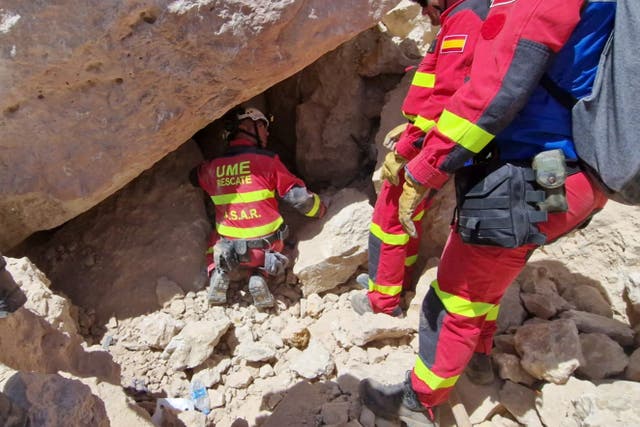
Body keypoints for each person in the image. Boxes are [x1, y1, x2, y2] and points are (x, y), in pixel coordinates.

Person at [359, 0, 615, 425]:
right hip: (558, 172)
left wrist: (424, 169)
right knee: (493, 271)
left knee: (455, 293)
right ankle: (478, 359)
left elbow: (492, 89)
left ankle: (416, 402)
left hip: (522, 174)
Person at [351, 0, 489, 319]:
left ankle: (382, 302)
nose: (425, 13)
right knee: (406, 216)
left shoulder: (464, 19)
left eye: (425, 3)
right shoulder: (463, 16)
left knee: (389, 215)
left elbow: (447, 96)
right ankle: (396, 282)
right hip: (431, 134)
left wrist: (408, 146)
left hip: (431, 141)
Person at [191, 106, 326, 309]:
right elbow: (298, 199)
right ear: (246, 126)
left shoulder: (212, 167)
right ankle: (260, 276)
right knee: (284, 245)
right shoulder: (267, 162)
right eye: (263, 125)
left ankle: (216, 272)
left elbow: (193, 177)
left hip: (230, 249)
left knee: (213, 237)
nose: (267, 132)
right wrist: (321, 210)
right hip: (266, 248)